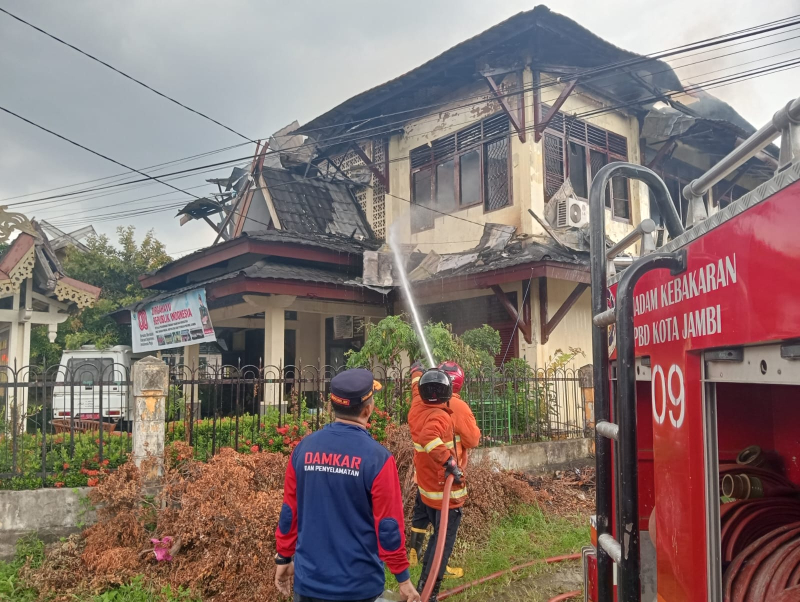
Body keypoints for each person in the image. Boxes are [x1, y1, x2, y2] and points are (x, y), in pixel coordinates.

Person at [274, 368, 420, 602]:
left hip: (309, 584)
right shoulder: (378, 459)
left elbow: (289, 512)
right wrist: (403, 579)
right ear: (368, 409)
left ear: (332, 407)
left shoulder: (303, 450)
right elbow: (388, 526)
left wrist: (283, 556)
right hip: (358, 587)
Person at [407, 362, 481, 580]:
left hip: (424, 479)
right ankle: (428, 585)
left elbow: (415, 388)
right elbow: (472, 439)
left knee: (422, 516)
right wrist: (450, 462)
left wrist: (416, 372)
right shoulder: (453, 409)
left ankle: (415, 554)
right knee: (442, 538)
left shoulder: (419, 402)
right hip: (444, 484)